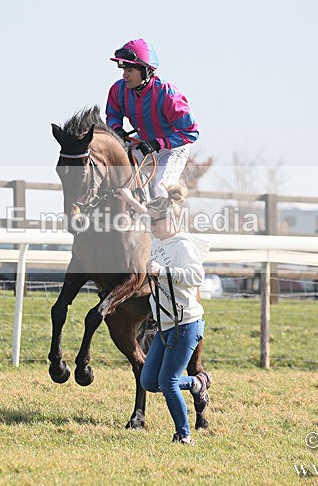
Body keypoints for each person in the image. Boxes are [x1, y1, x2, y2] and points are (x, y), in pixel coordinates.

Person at [116, 184, 210, 445]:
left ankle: (184, 435)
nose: (150, 228)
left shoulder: (183, 246)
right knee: (149, 380)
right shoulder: (160, 236)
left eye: (154, 223)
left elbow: (196, 276)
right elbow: (147, 215)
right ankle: (196, 384)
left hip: (187, 323)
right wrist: (128, 200)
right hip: (166, 324)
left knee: (167, 382)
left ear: (168, 221)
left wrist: (163, 271)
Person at [106, 39, 199, 199]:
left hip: (174, 146)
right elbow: (113, 114)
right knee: (116, 172)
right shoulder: (119, 89)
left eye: (129, 70)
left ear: (145, 71)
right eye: (123, 70)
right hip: (144, 141)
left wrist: (158, 144)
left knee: (160, 188)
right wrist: (117, 130)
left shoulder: (167, 94)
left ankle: (167, 222)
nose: (124, 75)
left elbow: (191, 132)